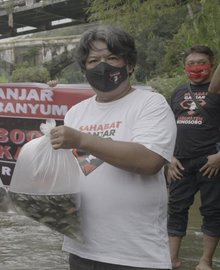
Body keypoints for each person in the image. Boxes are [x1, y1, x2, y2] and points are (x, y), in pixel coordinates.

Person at [49, 25, 177, 269]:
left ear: (129, 65)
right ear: (84, 70)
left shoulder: (150, 104)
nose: (102, 66)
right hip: (81, 249)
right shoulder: (76, 113)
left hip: (136, 254)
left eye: (112, 58)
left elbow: (149, 161)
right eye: (93, 60)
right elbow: (71, 171)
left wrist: (82, 140)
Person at [167, 45, 220, 270]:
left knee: (213, 210)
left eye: (201, 63)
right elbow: (166, 128)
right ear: (184, 67)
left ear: (211, 65)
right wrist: (169, 157)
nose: (196, 67)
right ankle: (172, 259)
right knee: (175, 209)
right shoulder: (179, 92)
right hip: (180, 162)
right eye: (191, 63)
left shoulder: (217, 91)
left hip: (211, 163)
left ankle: (205, 261)